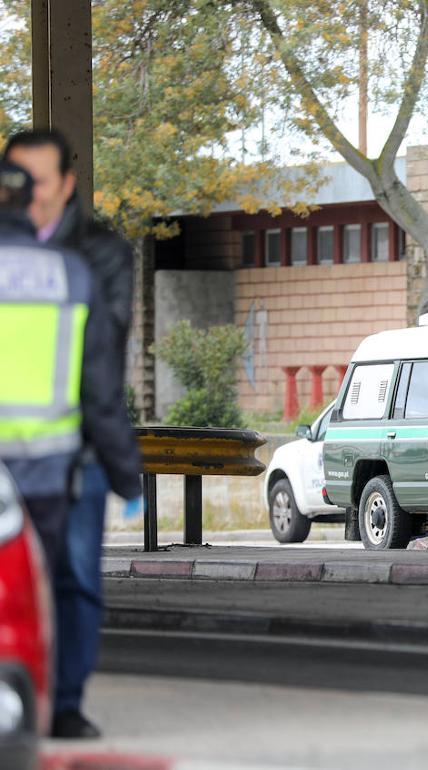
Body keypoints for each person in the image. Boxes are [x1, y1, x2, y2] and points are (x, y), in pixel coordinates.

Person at [3, 131, 142, 740]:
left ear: (66, 184)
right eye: (18, 178)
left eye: (40, 179)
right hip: (17, 456)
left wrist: (118, 463)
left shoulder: (100, 255)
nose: (29, 191)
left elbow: (101, 363)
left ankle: (63, 704)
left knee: (75, 578)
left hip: (76, 452)